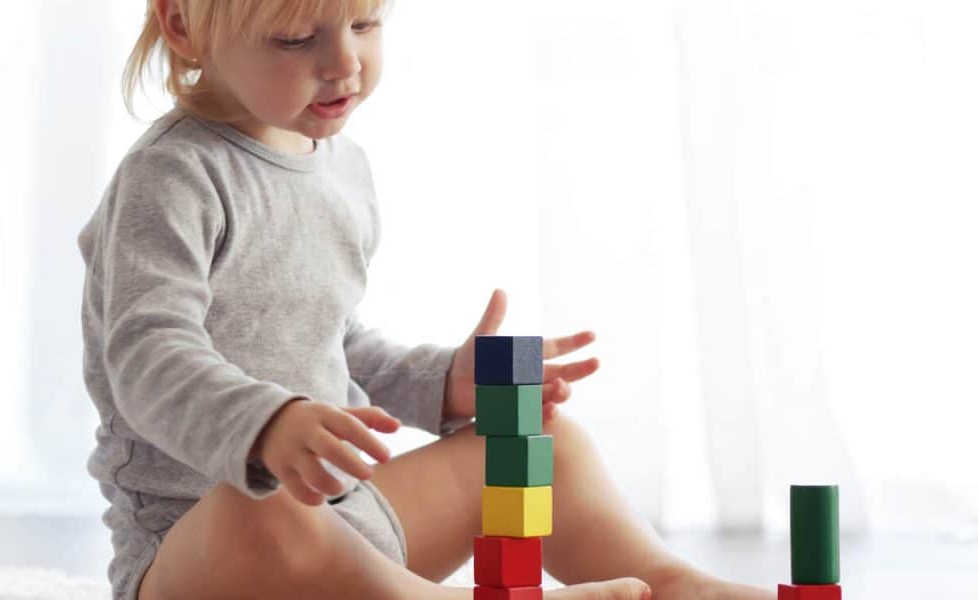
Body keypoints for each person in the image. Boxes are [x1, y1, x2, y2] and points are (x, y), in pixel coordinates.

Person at [78, 1, 773, 598]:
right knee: (259, 508)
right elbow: (148, 356)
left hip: (352, 525)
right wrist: (268, 424)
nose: (344, 63)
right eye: (296, 38)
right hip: (201, 552)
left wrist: (442, 384)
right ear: (182, 25)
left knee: (542, 446)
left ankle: (665, 580)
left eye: (363, 24)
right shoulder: (170, 177)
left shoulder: (340, 168)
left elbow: (335, 341)